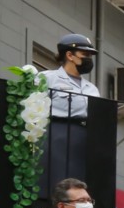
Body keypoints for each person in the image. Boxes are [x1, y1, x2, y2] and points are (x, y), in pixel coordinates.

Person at [39, 33, 102, 197]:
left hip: (82, 137)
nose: (89, 59)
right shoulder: (47, 78)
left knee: (77, 186)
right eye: (85, 54)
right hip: (56, 133)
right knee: (54, 184)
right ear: (70, 55)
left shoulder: (92, 89)